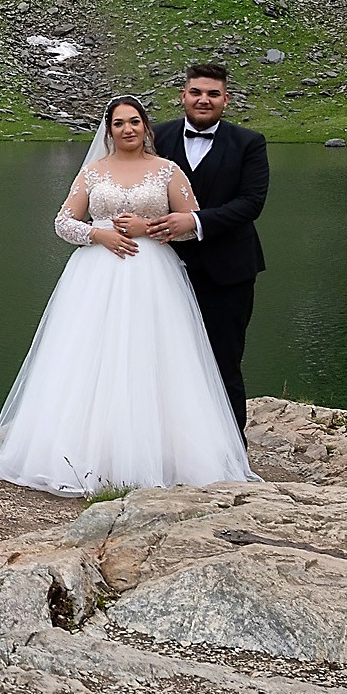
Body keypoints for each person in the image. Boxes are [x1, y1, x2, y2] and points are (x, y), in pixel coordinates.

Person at [0, 95, 255, 496]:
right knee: (90, 355)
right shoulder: (93, 173)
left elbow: (186, 224)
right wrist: (98, 233)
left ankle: (160, 453)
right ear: (108, 130)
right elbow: (62, 222)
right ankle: (89, 453)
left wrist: (148, 228)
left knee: (154, 357)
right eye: (119, 123)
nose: (128, 129)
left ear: (146, 127)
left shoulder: (167, 171)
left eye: (135, 121)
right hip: (96, 274)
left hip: (153, 276)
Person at [144, 63, 268, 431]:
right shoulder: (156, 138)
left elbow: (251, 202)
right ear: (182, 96)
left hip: (228, 272)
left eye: (213, 94)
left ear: (226, 100)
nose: (204, 100)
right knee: (160, 358)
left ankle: (231, 447)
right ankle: (168, 444)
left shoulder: (249, 142)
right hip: (162, 270)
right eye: (196, 92)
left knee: (223, 360)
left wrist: (196, 222)